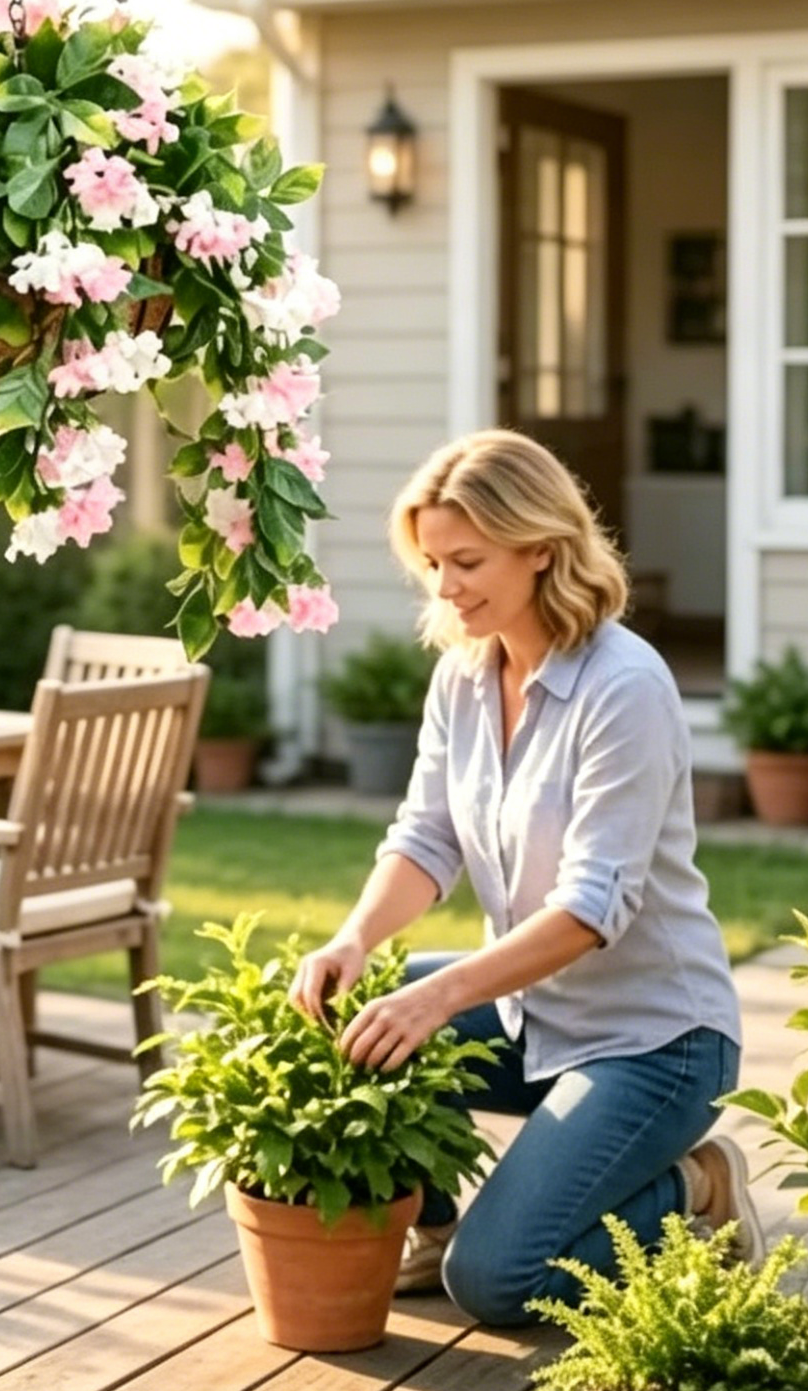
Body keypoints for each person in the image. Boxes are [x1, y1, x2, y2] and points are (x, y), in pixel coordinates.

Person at [287, 428, 754, 1326]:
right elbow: (425, 840)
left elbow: (591, 909)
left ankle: (697, 1186)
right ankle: (431, 1222)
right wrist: (354, 940)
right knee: (355, 1002)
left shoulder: (626, 687)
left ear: (541, 546)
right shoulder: (465, 674)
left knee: (498, 1282)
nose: (444, 586)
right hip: (528, 1015)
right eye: (431, 564)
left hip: (652, 1044)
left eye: (466, 561)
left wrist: (436, 1000)